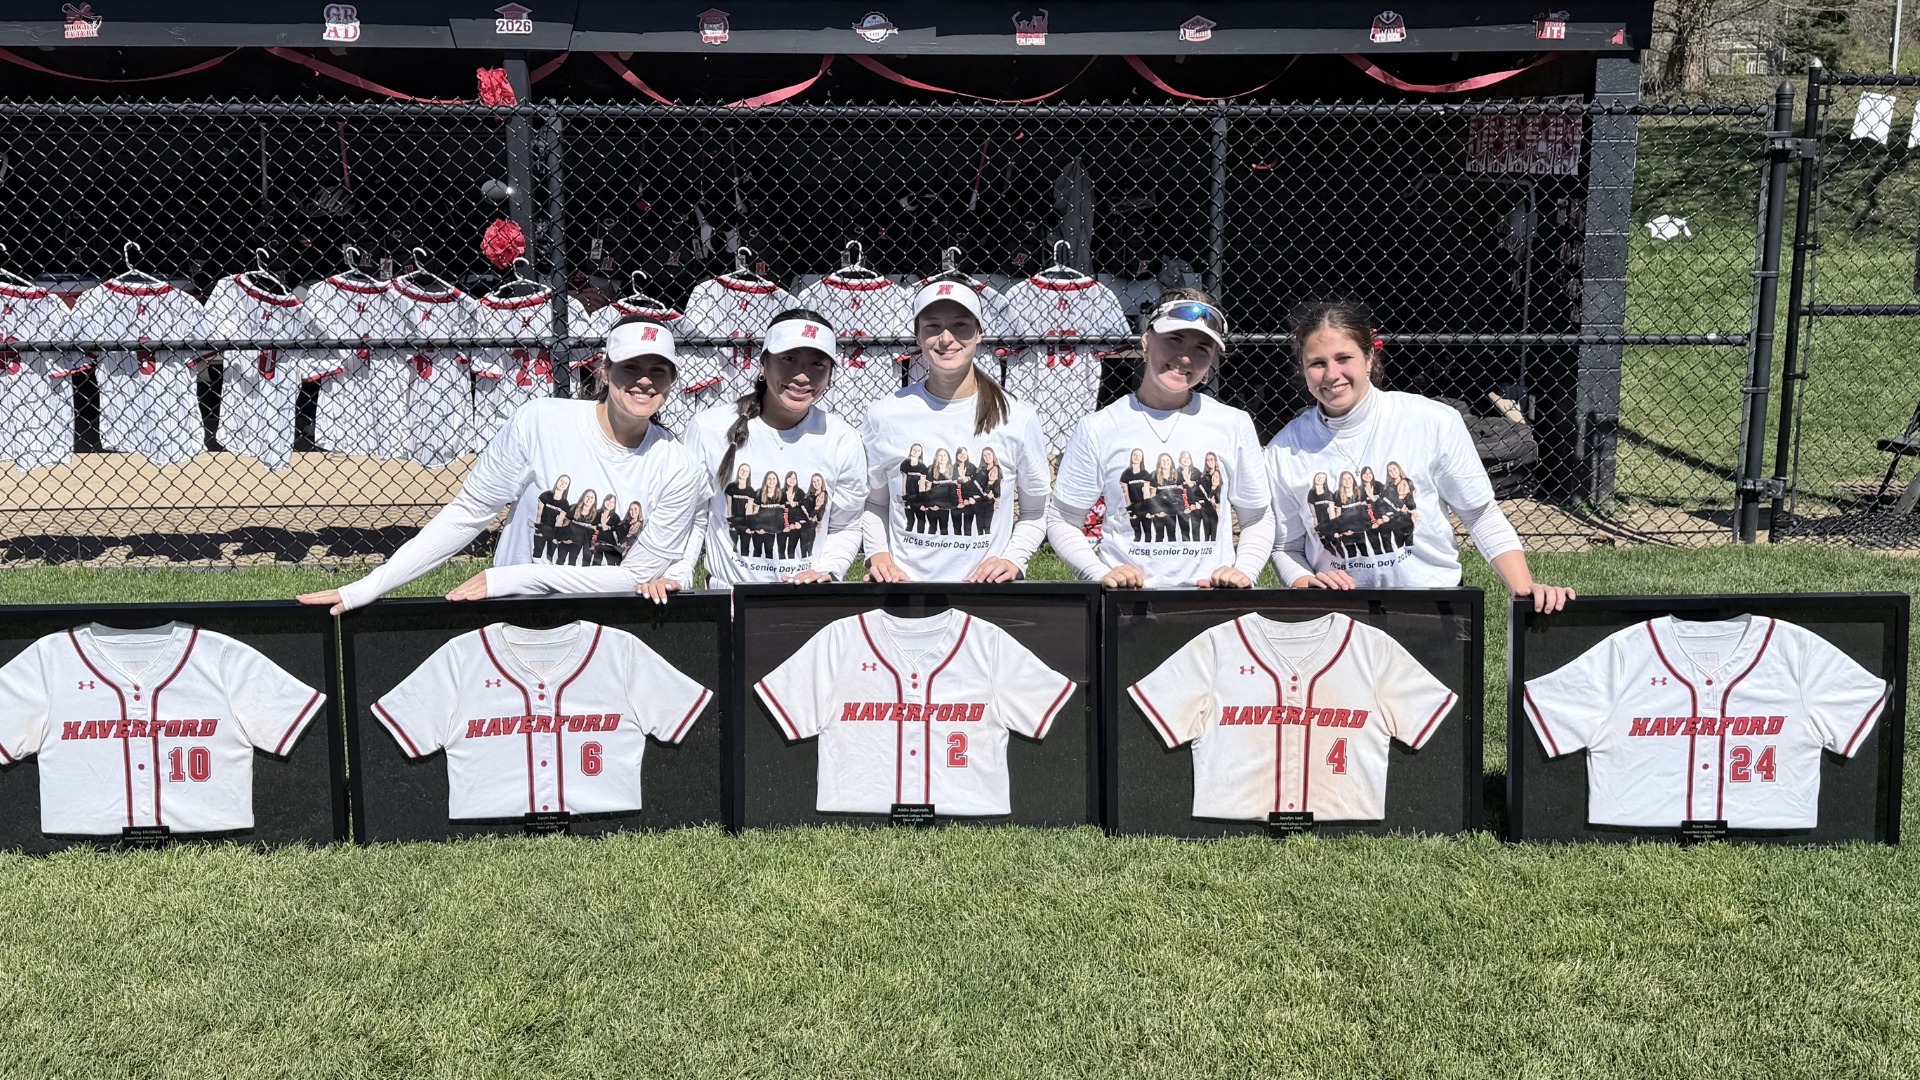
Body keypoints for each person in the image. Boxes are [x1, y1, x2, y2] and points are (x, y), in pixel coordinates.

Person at [297, 315, 700, 612]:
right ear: (604, 369)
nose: (644, 381)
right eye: (630, 366)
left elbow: (635, 577)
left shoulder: (679, 466)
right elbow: (469, 514)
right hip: (514, 615)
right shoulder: (541, 421)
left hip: (606, 623)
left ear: (671, 380)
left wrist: (513, 578)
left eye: (657, 371)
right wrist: (368, 587)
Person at [1264, 298, 1574, 612]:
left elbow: (1480, 515)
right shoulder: (1283, 450)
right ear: (1303, 367)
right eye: (1317, 363)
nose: (1332, 374)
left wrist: (1523, 586)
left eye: (1344, 358)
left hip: (1432, 610)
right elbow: (1286, 547)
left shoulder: (1432, 421)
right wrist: (1306, 582)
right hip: (1340, 614)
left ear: (1370, 356)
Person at [1044, 290, 1271, 588]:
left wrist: (1244, 571)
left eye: (1202, 348)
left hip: (1211, 598)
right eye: (1174, 339)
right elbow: (1062, 518)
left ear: (1213, 360)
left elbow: (1257, 517)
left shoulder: (1234, 424)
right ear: (1147, 339)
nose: (1185, 356)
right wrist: (1099, 573)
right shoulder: (1100, 426)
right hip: (1127, 601)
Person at [662, 308, 865, 593]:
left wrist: (826, 570)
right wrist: (679, 574)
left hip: (806, 600)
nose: (802, 375)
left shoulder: (842, 438)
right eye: (789, 359)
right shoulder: (708, 428)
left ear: (831, 374)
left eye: (818, 363)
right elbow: (692, 517)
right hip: (729, 599)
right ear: (762, 365)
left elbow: (846, 525)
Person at [862, 281, 1051, 583]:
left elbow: (1036, 510)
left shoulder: (1017, 416)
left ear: (979, 333)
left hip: (985, 593)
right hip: (905, 591)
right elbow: (874, 503)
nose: (946, 339)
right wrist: (879, 555)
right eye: (933, 326)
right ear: (918, 335)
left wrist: (1013, 558)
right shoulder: (884, 414)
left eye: (960, 326)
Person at [532, 475, 570, 559]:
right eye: (561, 480)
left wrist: (556, 536)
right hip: (542, 527)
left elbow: (559, 521)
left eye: (566, 483)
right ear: (557, 481)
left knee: (550, 556)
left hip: (553, 531)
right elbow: (539, 514)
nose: (562, 484)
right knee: (537, 554)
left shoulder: (565, 504)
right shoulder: (545, 495)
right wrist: (537, 529)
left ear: (567, 487)